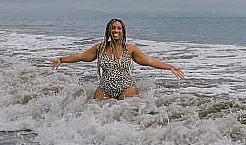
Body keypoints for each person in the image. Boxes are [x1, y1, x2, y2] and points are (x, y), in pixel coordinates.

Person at [50, 18, 184, 100]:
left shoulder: (130, 49)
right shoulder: (100, 48)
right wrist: (61, 60)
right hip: (105, 88)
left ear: (123, 31)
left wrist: (170, 67)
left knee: (125, 117)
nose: (116, 30)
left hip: (126, 88)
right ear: (108, 31)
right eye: (113, 28)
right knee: (95, 114)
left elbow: (149, 61)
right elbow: (81, 57)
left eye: (119, 28)